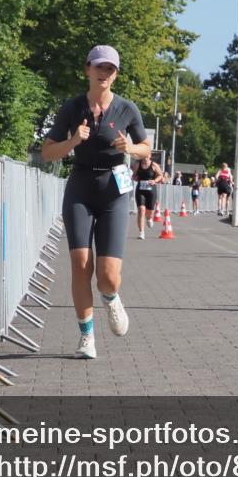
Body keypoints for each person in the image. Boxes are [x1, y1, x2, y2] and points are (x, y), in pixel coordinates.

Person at [42, 45, 151, 360]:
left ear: (115, 75)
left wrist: (130, 148)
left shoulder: (127, 109)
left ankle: (111, 296)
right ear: (87, 69)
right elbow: (49, 152)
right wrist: (74, 140)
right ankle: (86, 337)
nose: (104, 74)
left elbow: (146, 148)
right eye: (99, 67)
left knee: (107, 274)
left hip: (115, 188)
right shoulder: (73, 108)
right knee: (80, 264)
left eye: (111, 69)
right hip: (80, 185)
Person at [132, 154, 164, 239]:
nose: (145, 158)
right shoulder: (137, 164)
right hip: (140, 190)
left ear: (149, 156)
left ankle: (149, 219)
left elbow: (161, 175)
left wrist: (155, 180)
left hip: (151, 190)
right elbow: (134, 175)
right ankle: (141, 232)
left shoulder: (154, 165)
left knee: (150, 212)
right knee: (141, 210)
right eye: (144, 156)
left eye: (147, 156)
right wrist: (134, 177)